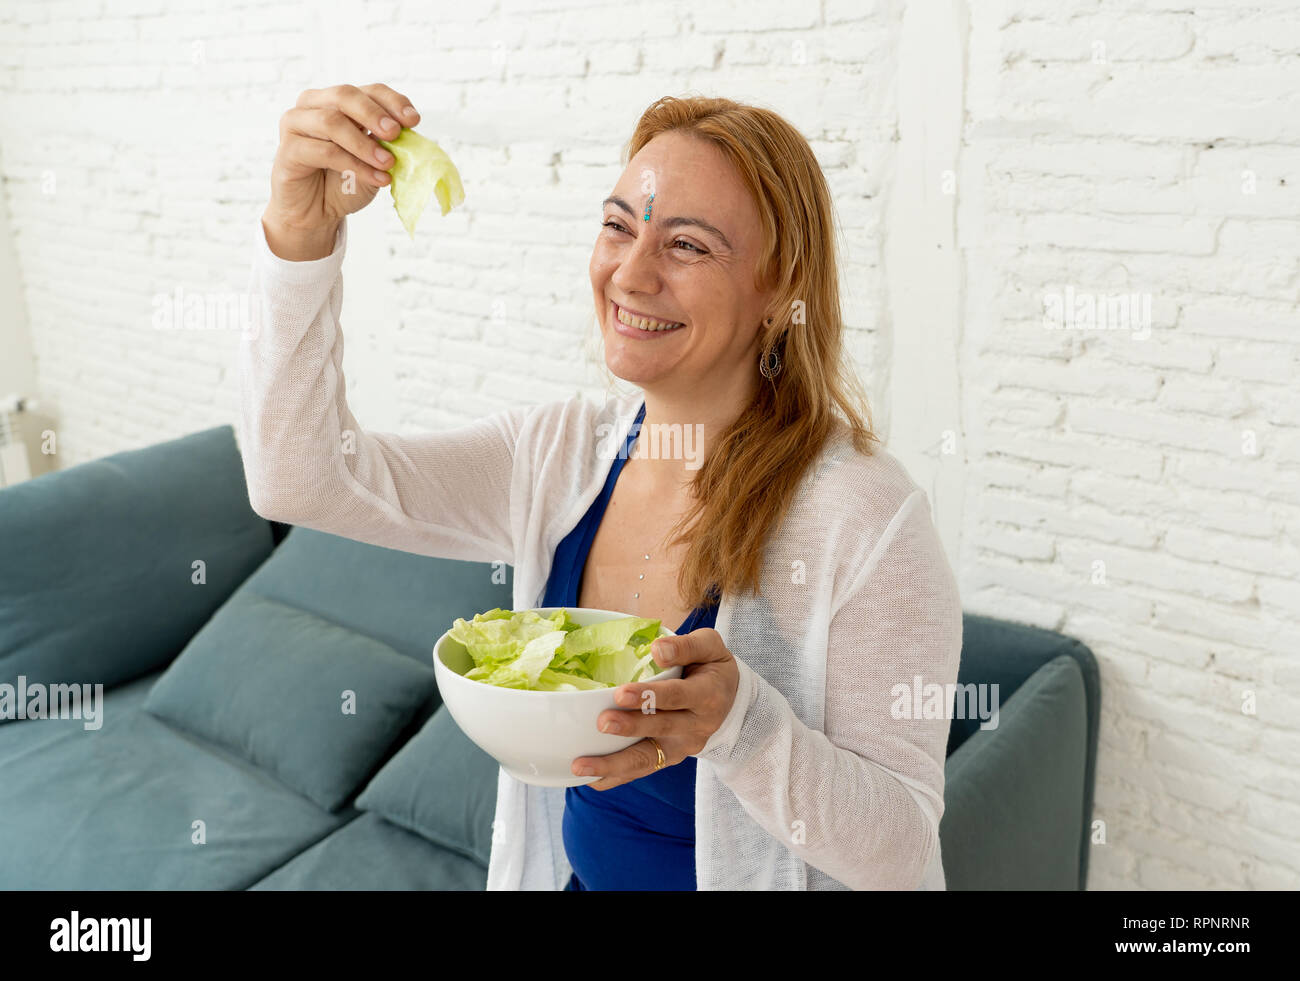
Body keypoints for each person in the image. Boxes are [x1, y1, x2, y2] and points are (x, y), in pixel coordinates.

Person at [240, 83, 963, 890]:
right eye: (619, 225)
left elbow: (904, 854)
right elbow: (300, 481)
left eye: (687, 246)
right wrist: (302, 239)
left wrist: (744, 726)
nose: (631, 272)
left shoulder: (864, 518)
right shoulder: (558, 454)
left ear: (780, 291)